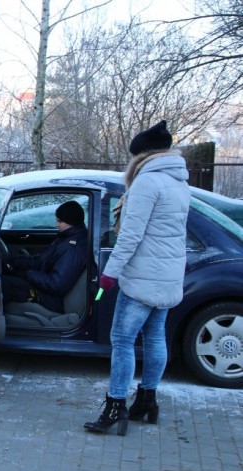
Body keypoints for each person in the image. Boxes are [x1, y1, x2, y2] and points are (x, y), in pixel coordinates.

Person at [84, 120, 190, 436]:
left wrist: (109, 273)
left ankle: (116, 404)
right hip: (169, 275)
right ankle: (147, 400)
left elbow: (130, 236)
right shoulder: (178, 182)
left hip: (143, 277)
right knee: (156, 336)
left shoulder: (147, 183)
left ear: (141, 155)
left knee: (123, 339)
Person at [2, 200, 89, 313]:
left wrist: (29, 274)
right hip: (44, 288)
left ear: (71, 221)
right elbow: (41, 260)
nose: (56, 224)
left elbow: (57, 285)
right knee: (6, 279)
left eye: (60, 221)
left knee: (1, 285)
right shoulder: (65, 238)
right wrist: (14, 261)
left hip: (50, 299)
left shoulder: (73, 248)